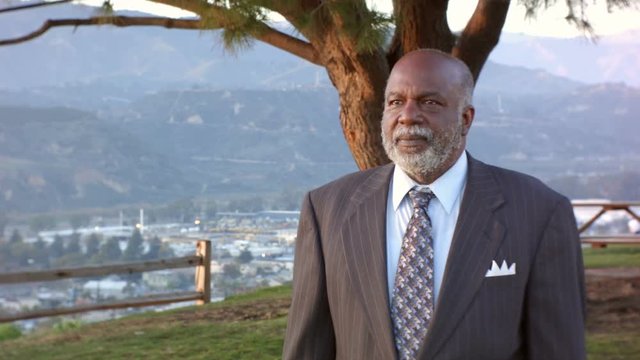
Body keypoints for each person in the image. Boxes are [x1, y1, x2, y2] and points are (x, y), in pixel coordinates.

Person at [283, 49, 586, 360]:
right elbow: (307, 348)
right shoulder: (326, 210)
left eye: (430, 102)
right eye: (395, 102)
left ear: (465, 118)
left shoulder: (539, 212)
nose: (408, 115)